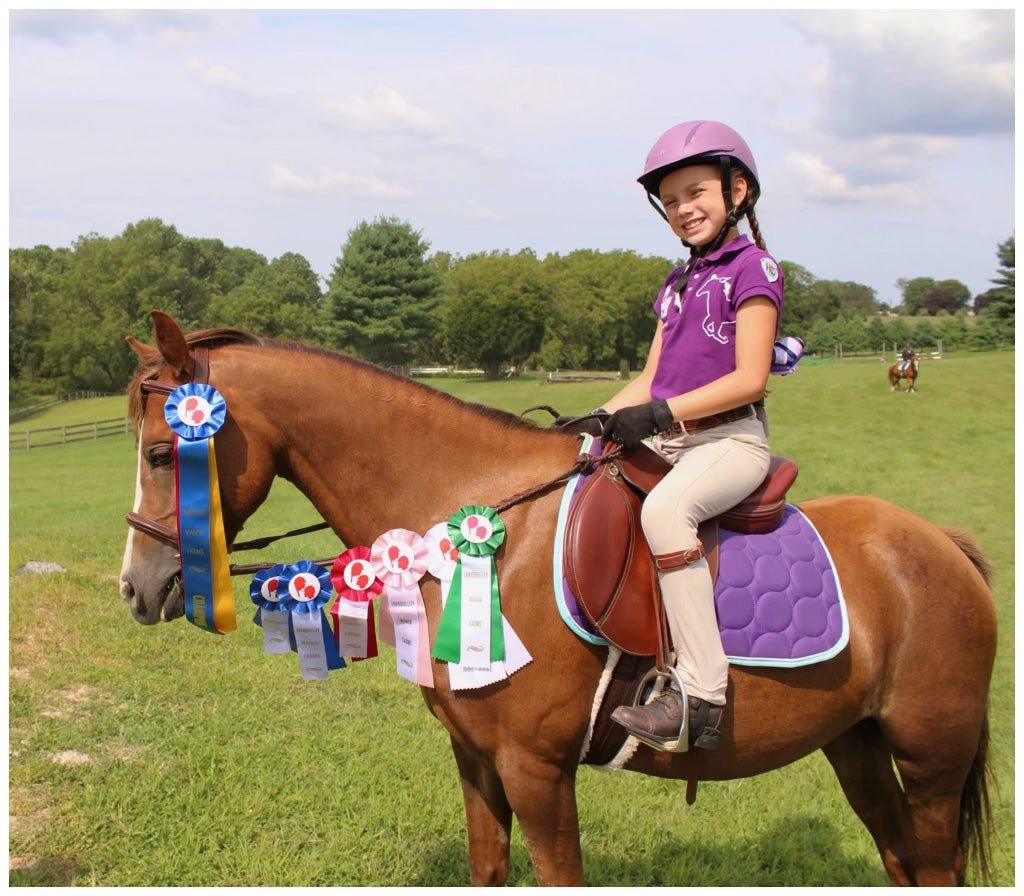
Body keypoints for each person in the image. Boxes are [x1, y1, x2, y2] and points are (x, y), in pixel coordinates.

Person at [594, 121, 784, 750]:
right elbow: (649, 378)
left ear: (738, 191)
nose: (683, 209)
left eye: (695, 192)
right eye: (671, 201)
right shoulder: (676, 284)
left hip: (729, 442)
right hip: (673, 437)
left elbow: (750, 378)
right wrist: (589, 424)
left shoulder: (755, 268)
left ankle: (700, 695)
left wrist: (660, 414)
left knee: (668, 511)